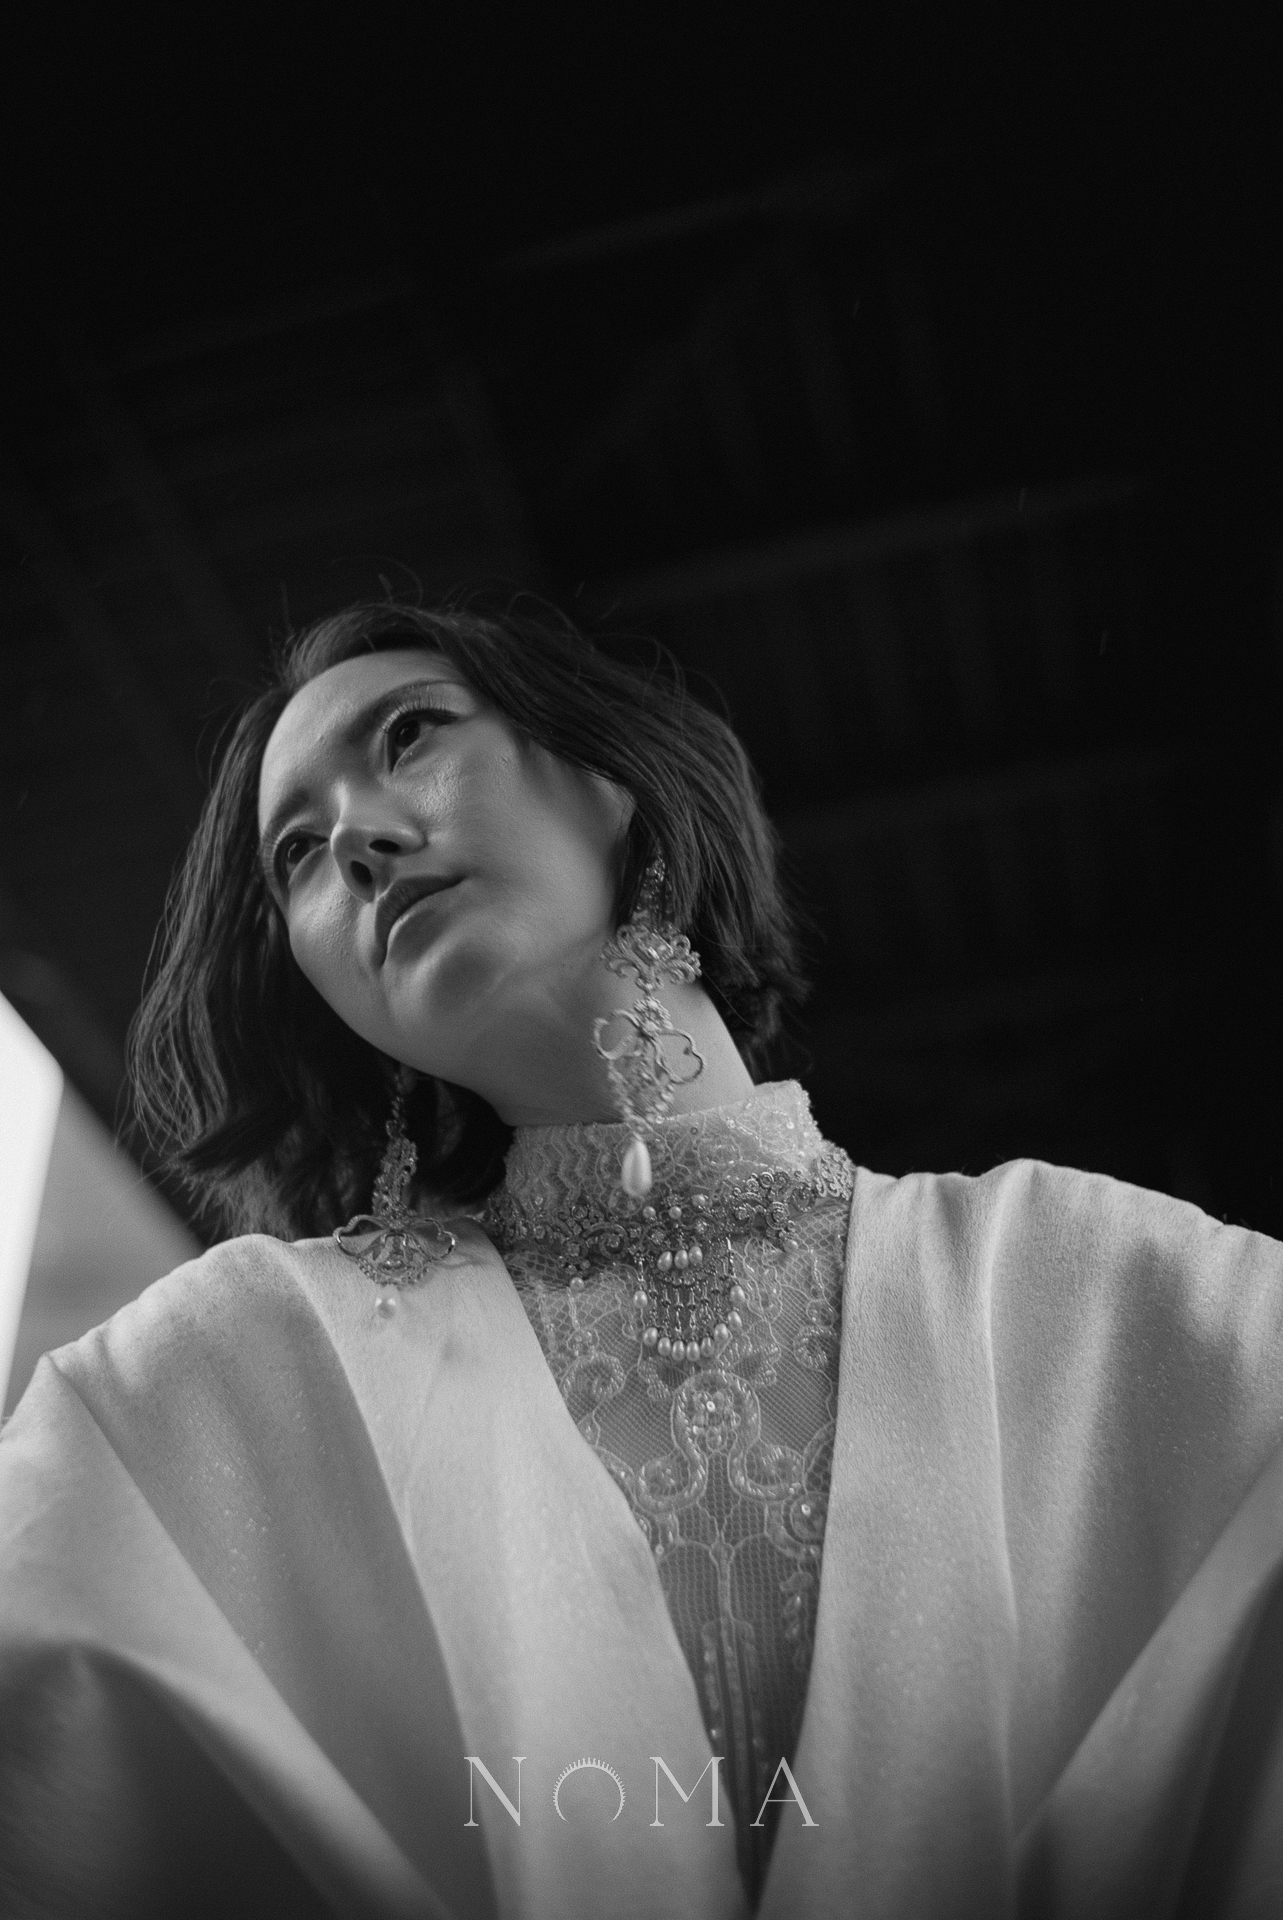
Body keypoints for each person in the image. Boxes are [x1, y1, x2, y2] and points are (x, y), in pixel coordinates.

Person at [1, 595, 1281, 1920]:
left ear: (610, 773)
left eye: (410, 736)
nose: (359, 844)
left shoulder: (1094, 1290)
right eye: (298, 856)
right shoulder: (245, 1376)